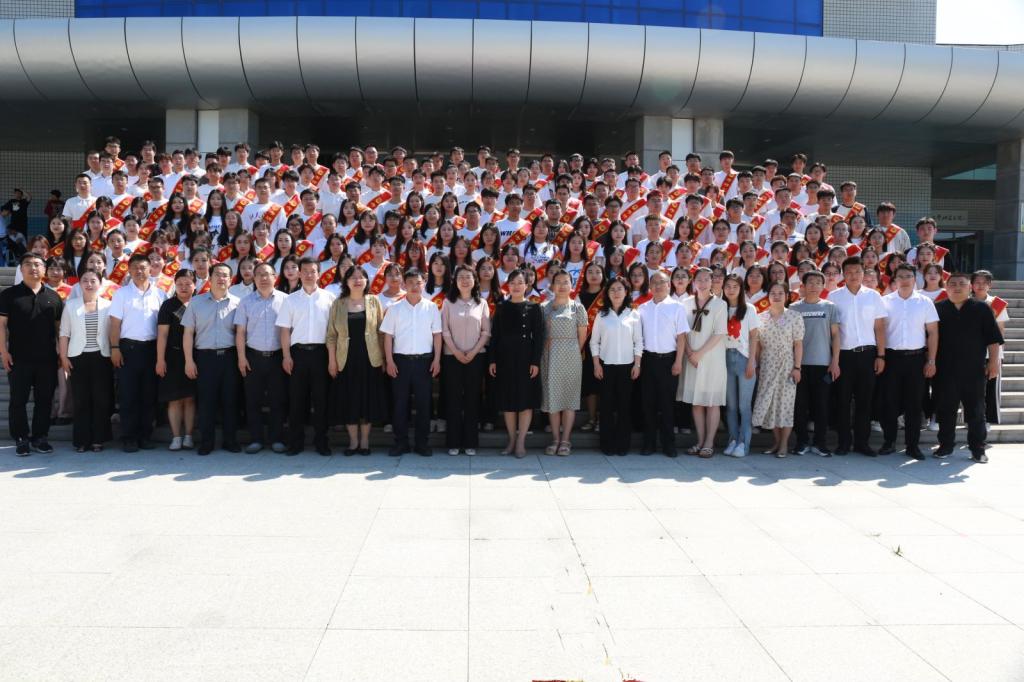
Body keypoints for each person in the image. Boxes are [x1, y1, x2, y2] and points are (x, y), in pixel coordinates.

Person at [934, 273, 1003, 463]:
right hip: (945, 370)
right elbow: (929, 338)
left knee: (976, 411)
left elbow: (993, 339)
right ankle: (945, 446)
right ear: (946, 287)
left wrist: (993, 362)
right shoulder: (938, 308)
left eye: (962, 284)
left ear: (969, 287)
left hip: (973, 370)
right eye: (953, 284)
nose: (957, 287)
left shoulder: (981, 308)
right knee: (946, 410)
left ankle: (978, 449)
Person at [0, 253, 63, 455]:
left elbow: (59, 330)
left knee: (44, 400)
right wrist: (3, 351)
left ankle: (40, 437)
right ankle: (21, 438)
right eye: (27, 264)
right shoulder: (9, 295)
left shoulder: (54, 297)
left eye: (37, 264)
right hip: (18, 357)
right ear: (21, 269)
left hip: (47, 359)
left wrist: (61, 355)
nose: (33, 268)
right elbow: (1, 326)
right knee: (18, 400)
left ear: (44, 270)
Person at [276, 257, 336, 456]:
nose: (309, 275)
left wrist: (332, 359)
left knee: (322, 401)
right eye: (306, 271)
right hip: (297, 354)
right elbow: (284, 330)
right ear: (299, 274)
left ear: (319, 273)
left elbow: (333, 332)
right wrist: (286, 356)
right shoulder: (290, 299)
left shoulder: (329, 298)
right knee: (297, 401)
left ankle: (322, 442)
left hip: (321, 354)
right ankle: (296, 443)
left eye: (313, 271)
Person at [380, 268, 443, 457]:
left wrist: (437, 359)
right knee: (400, 404)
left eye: (418, 283)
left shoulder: (431, 307)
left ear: (424, 284)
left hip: (424, 361)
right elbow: (388, 336)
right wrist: (389, 361)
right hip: (400, 362)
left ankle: (422, 443)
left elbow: (437, 335)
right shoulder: (395, 308)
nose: (415, 286)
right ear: (404, 284)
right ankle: (401, 443)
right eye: (410, 283)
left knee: (424, 404)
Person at [879, 263, 939, 460]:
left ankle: (912, 446)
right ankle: (889, 442)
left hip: (916, 359)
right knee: (889, 402)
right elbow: (879, 331)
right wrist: (880, 356)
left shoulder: (924, 302)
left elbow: (933, 332)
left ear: (915, 279)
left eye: (908, 276)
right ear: (894, 279)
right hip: (891, 359)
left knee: (914, 404)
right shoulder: (885, 301)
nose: (904, 280)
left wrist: (931, 360)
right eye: (900, 276)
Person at [108, 252, 167, 452]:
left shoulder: (160, 294)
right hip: (128, 350)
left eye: (143, 267)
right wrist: (115, 348)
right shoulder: (121, 294)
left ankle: (145, 436)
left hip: (152, 350)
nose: (139, 271)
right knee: (128, 395)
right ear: (129, 270)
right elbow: (114, 325)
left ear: (150, 269)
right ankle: (129, 437)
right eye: (135, 268)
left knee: (148, 395)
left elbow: (164, 328)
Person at [829, 256, 887, 456]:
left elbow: (879, 328)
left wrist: (881, 356)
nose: (853, 275)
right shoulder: (834, 297)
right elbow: (833, 331)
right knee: (842, 401)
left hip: (868, 355)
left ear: (864, 273)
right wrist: (834, 360)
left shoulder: (873, 296)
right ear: (843, 274)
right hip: (844, 355)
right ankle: (844, 443)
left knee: (865, 401)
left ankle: (862, 443)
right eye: (849, 272)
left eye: (857, 272)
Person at [326, 265, 387, 456]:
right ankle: (353, 442)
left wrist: (384, 359)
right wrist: (332, 361)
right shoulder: (338, 304)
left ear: (367, 281)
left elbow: (381, 332)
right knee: (349, 400)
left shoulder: (374, 301)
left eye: (361, 277)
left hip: (370, 359)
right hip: (345, 360)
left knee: (367, 400)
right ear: (346, 281)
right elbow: (331, 336)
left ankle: (365, 441)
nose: (357, 280)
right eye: (353, 277)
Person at [182, 262, 241, 455]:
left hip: (230, 357)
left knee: (230, 401)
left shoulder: (238, 303)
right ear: (210, 277)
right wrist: (189, 360)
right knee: (206, 402)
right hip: (204, 358)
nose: (221, 278)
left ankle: (230, 441)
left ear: (230, 280)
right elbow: (188, 333)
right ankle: (206, 442)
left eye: (225, 275)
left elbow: (241, 334)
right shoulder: (196, 302)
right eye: (217, 274)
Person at [488, 268, 545, 457]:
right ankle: (511, 440)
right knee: (508, 400)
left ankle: (521, 442)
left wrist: (535, 361)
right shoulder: (501, 307)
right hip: (504, 357)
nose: (516, 286)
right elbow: (495, 335)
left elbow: (539, 337)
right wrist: (492, 360)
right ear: (508, 286)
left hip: (526, 358)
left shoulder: (534, 308)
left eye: (520, 283)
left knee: (525, 400)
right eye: (512, 283)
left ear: (527, 285)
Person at [234, 262, 289, 454]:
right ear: (253, 278)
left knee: (277, 400)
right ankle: (256, 439)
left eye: (267, 274)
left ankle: (277, 439)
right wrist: (241, 358)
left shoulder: (285, 300)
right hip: (253, 357)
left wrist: (287, 356)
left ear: (275, 277)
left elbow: (289, 330)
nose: (263, 278)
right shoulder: (245, 302)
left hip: (277, 357)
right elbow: (240, 332)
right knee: (253, 400)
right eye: (259, 275)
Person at [58, 269, 114, 452]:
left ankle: (98, 439)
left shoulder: (108, 305)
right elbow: (64, 333)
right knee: (81, 399)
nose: (89, 284)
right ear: (79, 284)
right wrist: (63, 357)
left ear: (100, 283)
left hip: (102, 357)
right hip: (78, 357)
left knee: (101, 399)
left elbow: (114, 332)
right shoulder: (71, 305)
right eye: (85, 280)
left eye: (93, 280)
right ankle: (82, 440)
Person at [441, 264, 491, 456]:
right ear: (455, 281)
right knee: (453, 399)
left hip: (476, 357)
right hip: (451, 357)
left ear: (474, 281)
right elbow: (444, 330)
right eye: (460, 277)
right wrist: (456, 351)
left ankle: (470, 442)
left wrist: (473, 352)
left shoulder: (482, 303)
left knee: (472, 399)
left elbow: (486, 332)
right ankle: (453, 442)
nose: (464, 280)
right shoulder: (448, 302)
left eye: (468, 277)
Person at [638, 270, 689, 457]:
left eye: (662, 282)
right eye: (655, 283)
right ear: (650, 286)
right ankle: (649, 443)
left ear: (669, 285)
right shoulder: (642, 308)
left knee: (667, 405)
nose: (658, 286)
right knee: (648, 404)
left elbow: (681, 337)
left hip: (669, 360)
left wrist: (678, 362)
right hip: (648, 360)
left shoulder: (677, 307)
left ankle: (669, 444)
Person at [590, 276, 643, 456]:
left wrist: (637, 364)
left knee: (624, 407)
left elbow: (639, 341)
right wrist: (596, 364)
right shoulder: (602, 315)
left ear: (626, 292)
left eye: (620, 289)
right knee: (606, 407)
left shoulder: (633, 314)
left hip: (627, 367)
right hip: (606, 367)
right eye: (612, 289)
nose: (616, 292)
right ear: (607, 293)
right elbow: (594, 342)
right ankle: (607, 444)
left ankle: (623, 445)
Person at [791, 270, 841, 457]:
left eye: (818, 282)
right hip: (800, 365)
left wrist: (835, 361)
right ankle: (801, 442)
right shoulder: (794, 308)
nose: (814, 286)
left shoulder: (830, 307)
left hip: (823, 365)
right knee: (800, 405)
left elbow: (836, 335)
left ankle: (821, 443)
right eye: (810, 282)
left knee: (822, 405)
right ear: (803, 286)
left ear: (823, 286)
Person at [752, 281, 805, 457]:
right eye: (773, 293)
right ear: (768, 296)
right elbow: (758, 345)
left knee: (785, 405)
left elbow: (798, 344)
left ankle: (784, 444)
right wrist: (757, 364)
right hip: (767, 365)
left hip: (787, 364)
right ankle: (776, 442)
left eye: (780, 293)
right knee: (770, 405)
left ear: (787, 296)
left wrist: (797, 367)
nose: (776, 296)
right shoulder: (761, 317)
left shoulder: (794, 317)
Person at [680, 267, 727, 457]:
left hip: (712, 357)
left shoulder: (720, 304)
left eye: (707, 279)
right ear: (693, 282)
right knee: (697, 401)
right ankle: (700, 441)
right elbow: (681, 330)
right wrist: (690, 352)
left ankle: (709, 442)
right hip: (691, 357)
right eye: (699, 279)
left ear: (712, 281)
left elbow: (720, 333)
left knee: (712, 401)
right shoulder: (685, 303)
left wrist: (699, 354)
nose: (703, 283)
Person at [540, 270, 588, 456]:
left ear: (571, 285)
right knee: (552, 398)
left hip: (571, 356)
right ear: (552, 286)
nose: (561, 285)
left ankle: (566, 440)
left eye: (565, 282)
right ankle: (555, 439)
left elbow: (582, 336)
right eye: (558, 282)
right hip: (549, 356)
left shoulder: (578, 308)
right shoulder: (544, 308)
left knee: (569, 399)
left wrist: (571, 349)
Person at [155, 269, 197, 451]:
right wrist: (160, 359)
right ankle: (176, 437)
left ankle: (188, 436)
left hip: (195, 357)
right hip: (172, 356)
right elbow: (162, 334)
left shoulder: (199, 303)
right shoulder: (168, 305)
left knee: (190, 398)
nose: (184, 287)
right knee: (174, 399)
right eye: (180, 284)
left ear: (195, 285)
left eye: (188, 284)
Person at [721, 273, 760, 458]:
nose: (731, 290)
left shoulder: (749, 309)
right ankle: (733, 439)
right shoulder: (720, 308)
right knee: (730, 405)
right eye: (727, 286)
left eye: (735, 286)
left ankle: (744, 443)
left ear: (741, 289)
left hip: (744, 358)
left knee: (744, 406)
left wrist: (752, 361)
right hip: (725, 358)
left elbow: (754, 336)